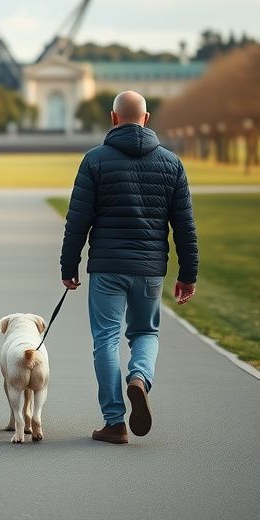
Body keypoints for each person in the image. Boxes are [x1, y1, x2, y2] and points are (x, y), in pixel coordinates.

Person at [59, 91, 199, 445]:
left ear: (113, 117)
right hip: (151, 268)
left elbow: (78, 220)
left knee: (105, 339)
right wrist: (188, 274)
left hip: (107, 267)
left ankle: (114, 422)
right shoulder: (172, 163)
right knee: (146, 334)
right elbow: (184, 225)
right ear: (147, 119)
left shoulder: (94, 160)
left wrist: (69, 264)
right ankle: (139, 378)